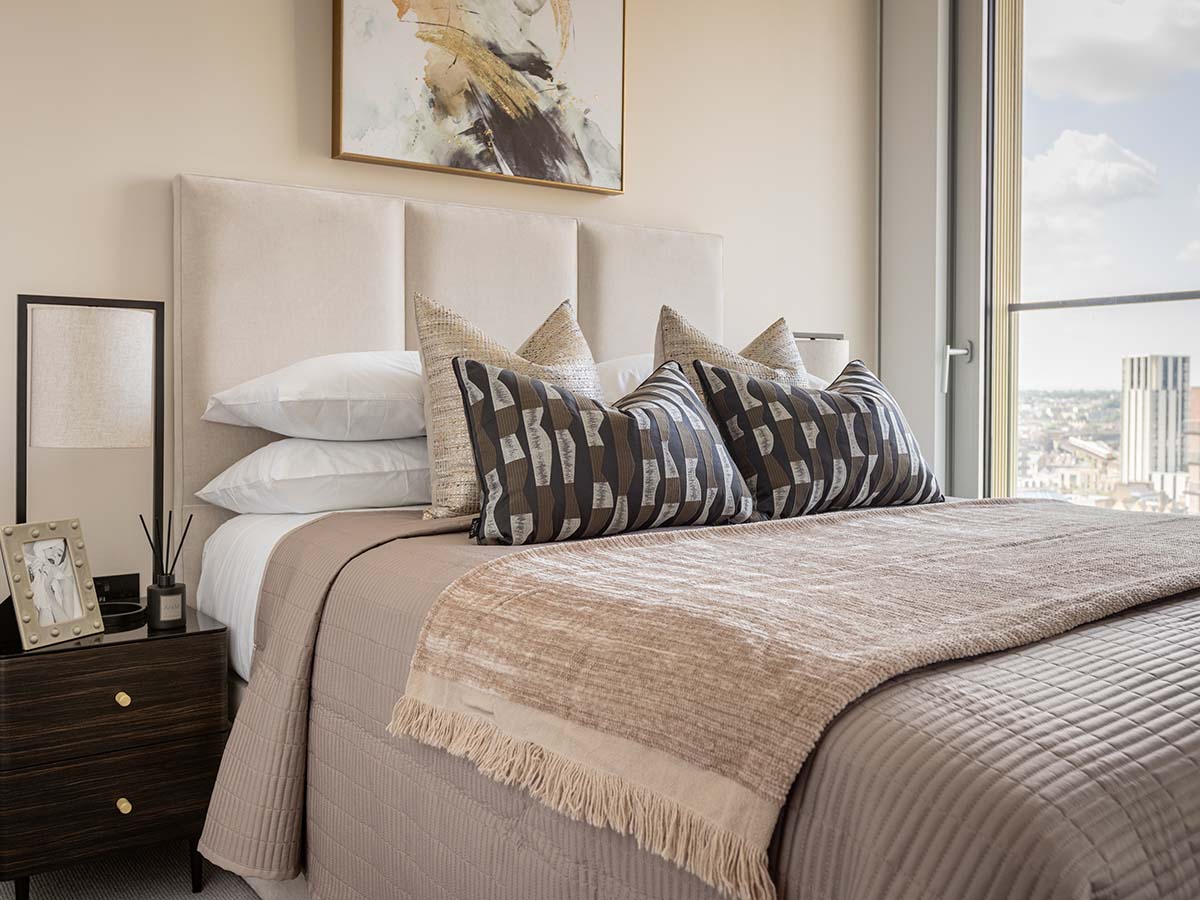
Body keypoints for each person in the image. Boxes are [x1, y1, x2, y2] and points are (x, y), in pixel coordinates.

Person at [26, 539, 81, 624]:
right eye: (50, 548)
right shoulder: (29, 570)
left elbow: (67, 623)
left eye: (59, 554)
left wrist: (47, 588)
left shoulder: (64, 581)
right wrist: (33, 579)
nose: (54, 554)